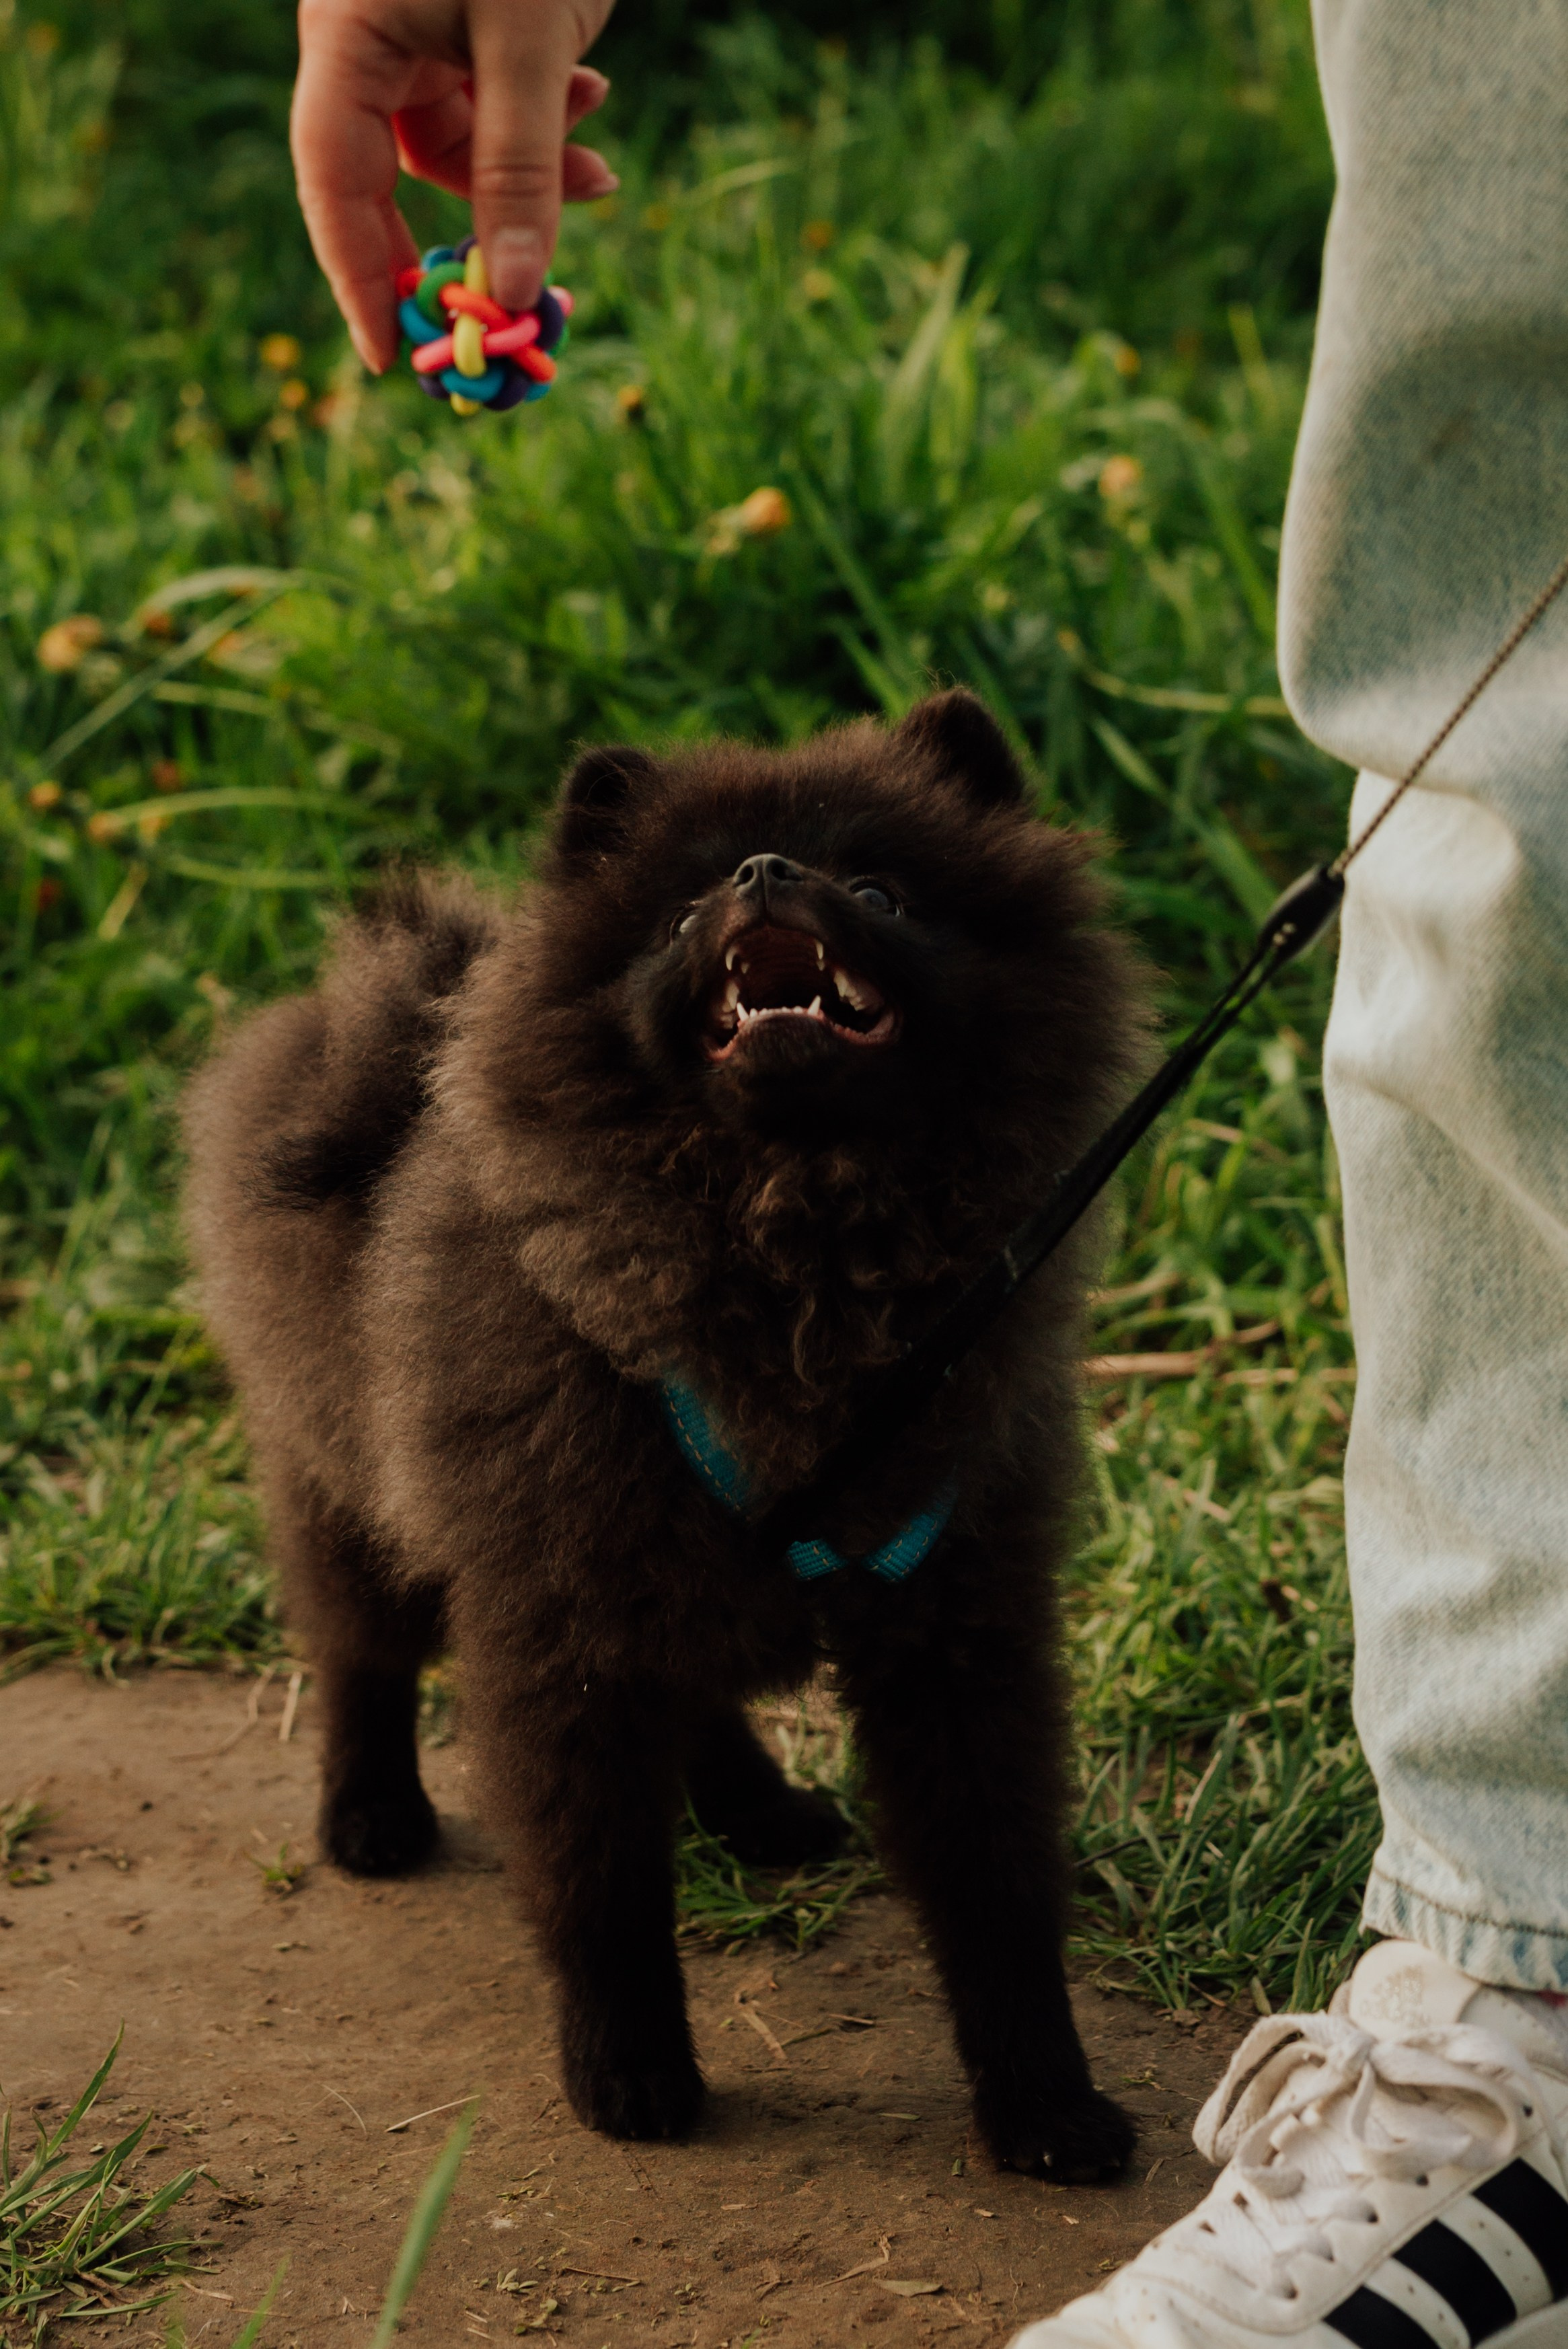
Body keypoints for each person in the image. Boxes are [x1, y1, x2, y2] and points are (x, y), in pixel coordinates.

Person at [289, 1, 1568, 2340]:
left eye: (856, 874)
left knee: (947, 1674)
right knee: (518, 1637)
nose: (772, 896)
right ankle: (1535, 1997)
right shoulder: (524, 1264)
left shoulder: (971, 1257)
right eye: (707, 897)